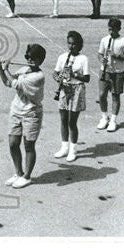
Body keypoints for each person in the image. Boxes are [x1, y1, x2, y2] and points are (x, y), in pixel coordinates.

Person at [0, 43, 46, 189]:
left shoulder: (38, 76)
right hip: (16, 110)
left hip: (31, 113)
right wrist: (0, 70)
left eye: (34, 58)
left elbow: (16, 84)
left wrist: (6, 68)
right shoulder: (24, 69)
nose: (30, 60)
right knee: (13, 143)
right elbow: (7, 82)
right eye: (28, 57)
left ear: (41, 61)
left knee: (29, 145)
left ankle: (27, 176)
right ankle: (18, 172)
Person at [53, 31, 90, 163]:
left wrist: (74, 75)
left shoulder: (83, 59)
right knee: (63, 119)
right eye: (69, 43)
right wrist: (59, 79)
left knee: (71, 122)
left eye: (74, 44)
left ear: (79, 45)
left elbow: (87, 78)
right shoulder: (63, 57)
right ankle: (64, 147)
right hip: (65, 88)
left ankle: (73, 149)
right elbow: (55, 72)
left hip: (77, 89)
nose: (71, 46)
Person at [97, 18, 124, 132]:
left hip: (117, 72)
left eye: (114, 30)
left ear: (119, 29)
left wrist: (116, 56)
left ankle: (113, 120)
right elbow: (100, 53)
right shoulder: (104, 40)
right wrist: (102, 60)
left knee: (115, 96)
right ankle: (104, 117)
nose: (111, 32)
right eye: (110, 29)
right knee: (102, 95)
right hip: (105, 71)